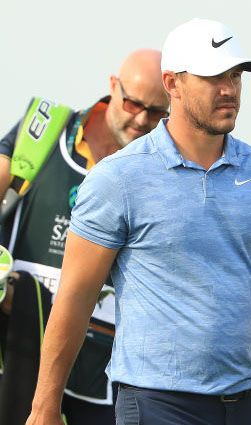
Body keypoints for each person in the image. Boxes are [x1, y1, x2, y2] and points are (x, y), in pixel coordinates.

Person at [26, 18, 251, 425]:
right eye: (214, 77)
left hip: (247, 403)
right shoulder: (118, 179)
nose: (229, 89)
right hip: (157, 404)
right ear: (173, 83)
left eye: (235, 76)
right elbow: (75, 297)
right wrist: (44, 407)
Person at [0, 49, 168, 425]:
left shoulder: (163, 169)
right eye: (133, 103)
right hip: (17, 339)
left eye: (157, 112)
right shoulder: (43, 130)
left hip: (105, 362)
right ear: (113, 86)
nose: (142, 119)